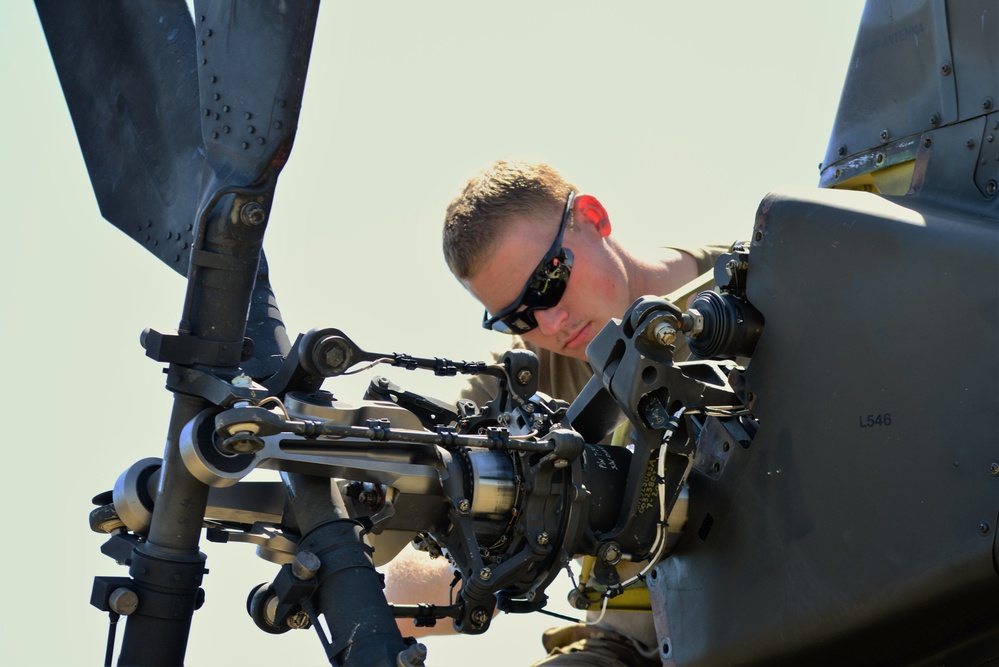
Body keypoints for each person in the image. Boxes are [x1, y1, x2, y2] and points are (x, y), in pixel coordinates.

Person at [385, 159, 731, 666]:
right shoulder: (522, 375)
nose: (551, 322)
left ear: (593, 216)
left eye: (550, 281)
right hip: (630, 648)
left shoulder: (767, 287)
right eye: (518, 316)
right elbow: (419, 463)